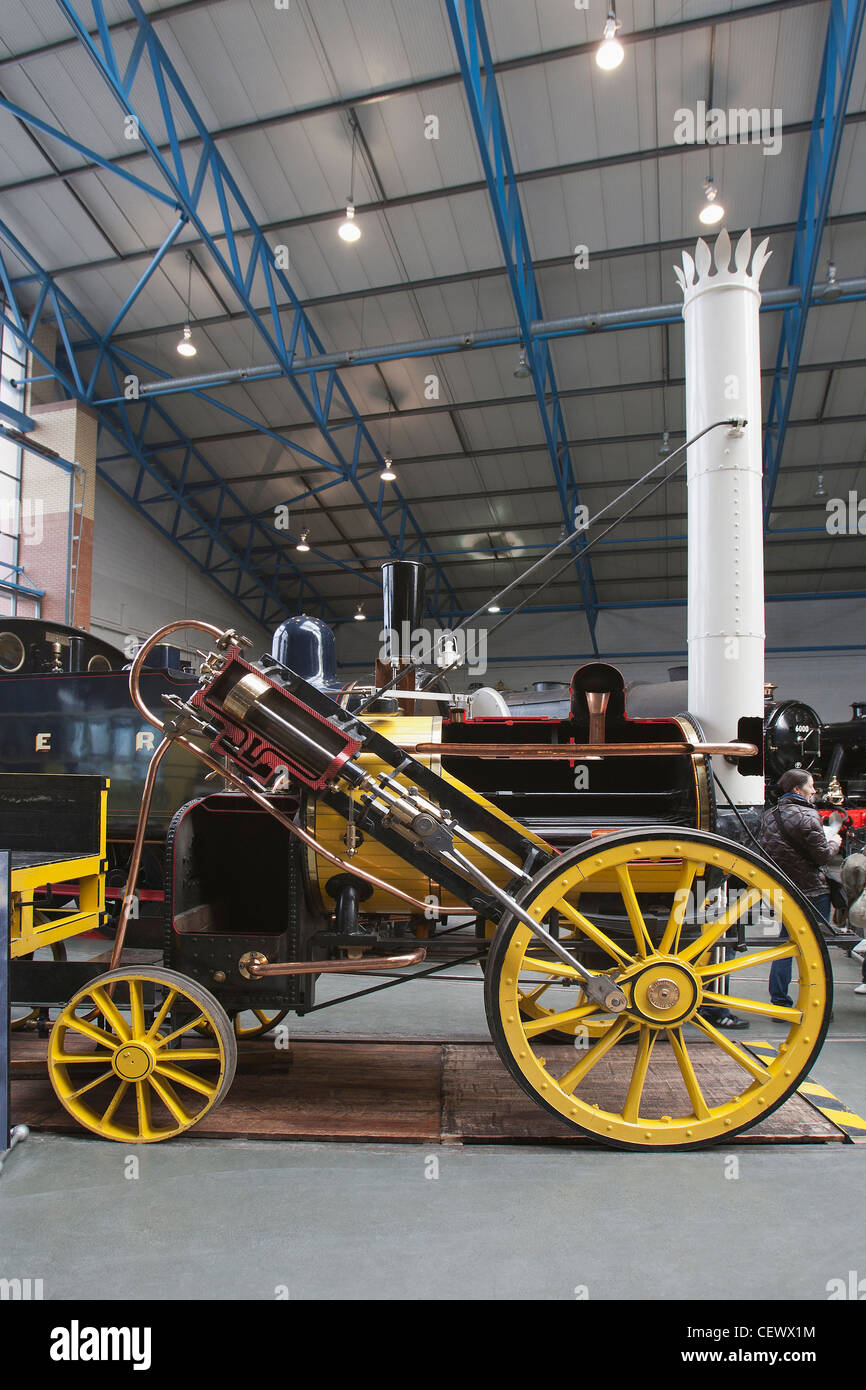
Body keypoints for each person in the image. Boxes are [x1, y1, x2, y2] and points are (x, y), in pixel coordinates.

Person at [758, 770, 841, 1006]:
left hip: (784, 887)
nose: (814, 791)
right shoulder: (808, 815)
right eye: (811, 786)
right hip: (812, 889)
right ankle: (816, 1001)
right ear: (797, 789)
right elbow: (822, 856)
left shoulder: (769, 815)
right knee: (815, 948)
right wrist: (834, 842)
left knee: (786, 942)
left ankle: (779, 999)